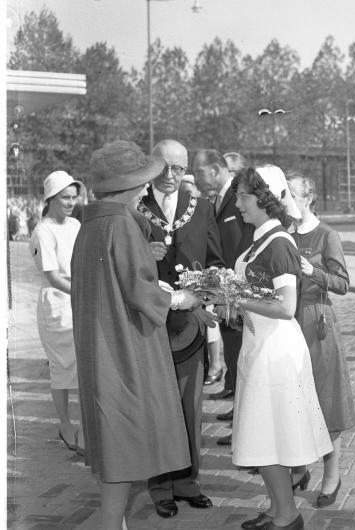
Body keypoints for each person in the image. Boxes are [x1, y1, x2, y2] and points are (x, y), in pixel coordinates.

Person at [71, 140, 198, 529]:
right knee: (127, 442)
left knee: (115, 446)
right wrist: (180, 297)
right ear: (127, 186)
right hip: (125, 350)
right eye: (143, 180)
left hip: (99, 347)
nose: (148, 186)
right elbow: (140, 291)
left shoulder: (90, 225)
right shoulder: (122, 224)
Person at [222, 165, 331, 530]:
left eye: (243, 196)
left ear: (265, 199)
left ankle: (287, 513)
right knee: (264, 432)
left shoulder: (279, 243)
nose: (237, 203)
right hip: (260, 345)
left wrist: (234, 295)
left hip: (276, 351)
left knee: (267, 430)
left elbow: (286, 307)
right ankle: (278, 508)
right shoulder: (260, 241)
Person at [139, 139, 224, 518]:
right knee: (158, 405)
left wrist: (205, 300)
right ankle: (160, 487)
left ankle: (188, 482)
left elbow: (216, 263)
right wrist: (145, 255)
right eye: (163, 167)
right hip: (149, 325)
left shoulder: (202, 208)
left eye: (178, 168)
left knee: (190, 405)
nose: (171, 176)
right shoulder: (135, 208)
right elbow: (123, 269)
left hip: (189, 325)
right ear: (151, 165)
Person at [287, 172, 355, 508]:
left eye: (292, 195)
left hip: (317, 324)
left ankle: (332, 472)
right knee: (293, 398)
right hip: (286, 323)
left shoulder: (326, 234)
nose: (287, 202)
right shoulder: (282, 233)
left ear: (308, 197)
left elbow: (343, 283)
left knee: (324, 399)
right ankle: (298, 468)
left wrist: (312, 272)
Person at [192, 150, 253, 428]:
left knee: (243, 359)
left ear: (215, 171)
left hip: (240, 296)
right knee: (233, 356)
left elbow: (245, 247)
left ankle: (246, 425)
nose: (196, 178)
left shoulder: (238, 197)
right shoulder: (216, 201)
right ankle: (239, 413)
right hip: (225, 296)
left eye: (199, 172)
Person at [29, 170, 84, 455]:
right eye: (65, 197)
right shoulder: (43, 231)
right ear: (51, 198)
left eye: (74, 197)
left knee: (83, 365)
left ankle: (86, 429)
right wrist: (83, 293)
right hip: (57, 306)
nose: (70, 202)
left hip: (79, 303)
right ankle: (65, 424)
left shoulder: (75, 224)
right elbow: (52, 277)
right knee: (63, 369)